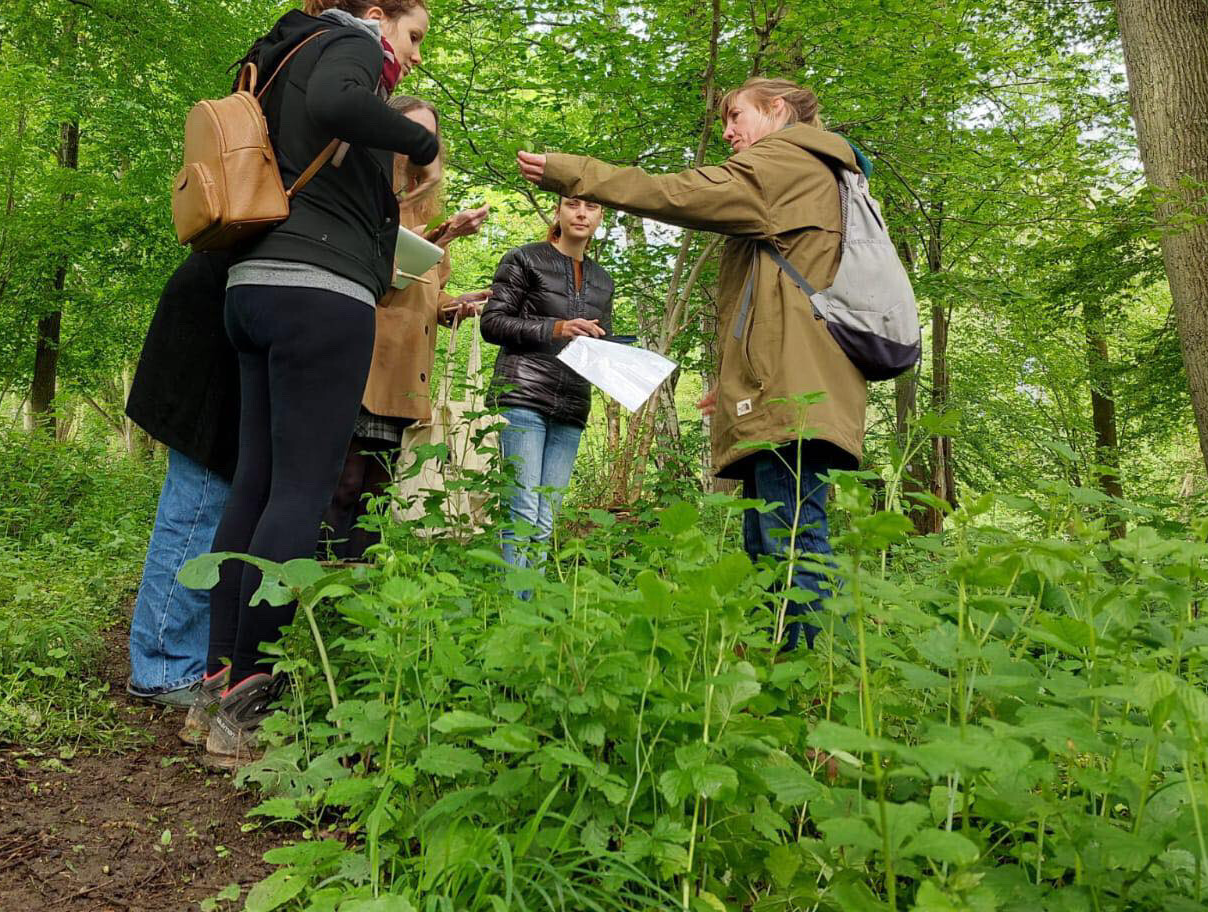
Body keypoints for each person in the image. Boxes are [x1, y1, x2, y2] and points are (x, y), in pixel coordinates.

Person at [515, 76, 867, 648]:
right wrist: (734, 381)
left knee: (791, 537)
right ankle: (786, 672)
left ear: (777, 111)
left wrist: (573, 171)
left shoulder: (787, 162)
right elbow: (778, 302)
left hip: (794, 392)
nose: (728, 133)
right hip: (789, 380)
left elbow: (676, 193)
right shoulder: (814, 173)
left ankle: (811, 679)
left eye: (737, 118)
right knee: (770, 537)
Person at [193, 0, 441, 769]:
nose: (410, 56)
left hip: (251, 286)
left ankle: (217, 678)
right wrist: (420, 141)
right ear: (378, 18)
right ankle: (251, 697)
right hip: (318, 297)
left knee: (256, 487)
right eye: (413, 38)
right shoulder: (345, 44)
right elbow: (341, 104)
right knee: (300, 492)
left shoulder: (276, 58)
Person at [322, 96, 490, 561]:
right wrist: (446, 234)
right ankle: (315, 586)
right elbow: (378, 270)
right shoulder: (365, 192)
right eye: (410, 129)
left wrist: (454, 305)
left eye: (429, 135)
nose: (420, 142)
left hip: (406, 370)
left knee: (379, 488)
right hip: (363, 359)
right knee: (345, 482)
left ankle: (356, 594)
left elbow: (425, 289)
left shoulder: (429, 208)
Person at [123, 253, 239, 707]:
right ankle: (164, 668)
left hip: (217, 332)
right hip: (212, 346)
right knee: (198, 509)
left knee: (208, 505)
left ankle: (181, 658)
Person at [480, 195, 614, 586]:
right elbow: (493, 323)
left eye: (592, 206)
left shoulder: (603, 279)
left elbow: (600, 343)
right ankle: (514, 616)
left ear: (601, 216)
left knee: (545, 516)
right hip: (523, 394)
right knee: (522, 510)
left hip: (573, 404)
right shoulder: (523, 259)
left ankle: (530, 612)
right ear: (559, 210)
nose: (582, 212)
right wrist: (557, 328)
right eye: (573, 204)